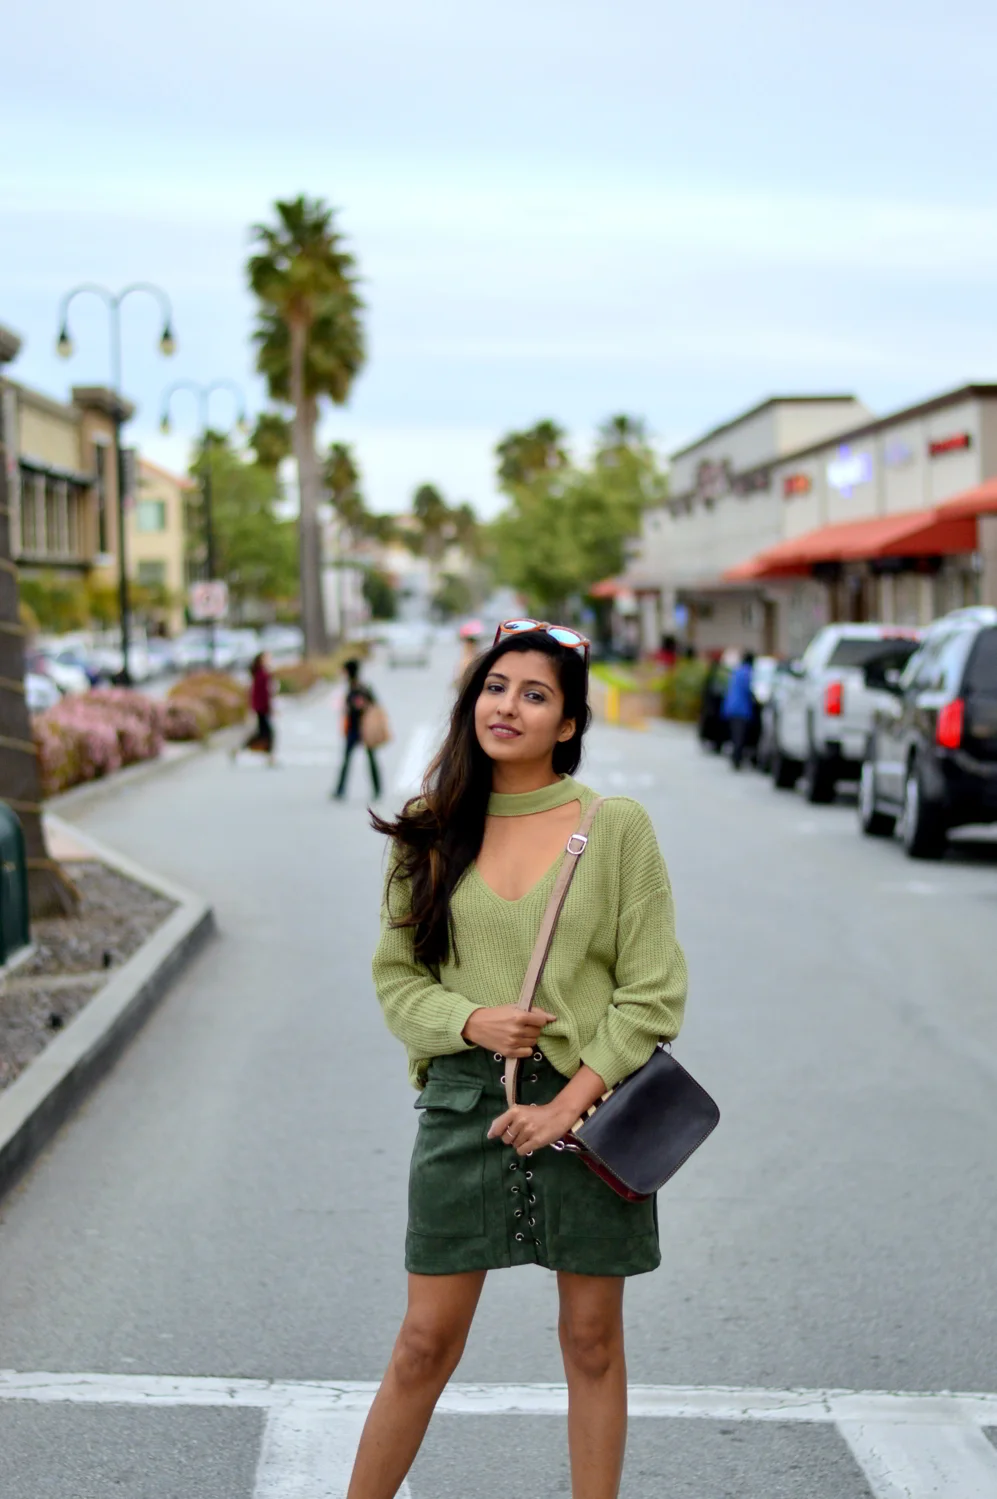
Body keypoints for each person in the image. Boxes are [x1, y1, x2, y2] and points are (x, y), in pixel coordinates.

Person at [350, 621, 688, 1499]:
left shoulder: (614, 829)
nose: (509, 706)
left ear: (568, 722)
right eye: (495, 687)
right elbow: (397, 983)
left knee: (591, 1341)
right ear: (473, 703)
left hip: (588, 1117)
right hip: (465, 1106)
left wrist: (565, 1103)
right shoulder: (428, 829)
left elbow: (650, 993)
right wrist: (472, 1022)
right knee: (424, 1342)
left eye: (535, 694)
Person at [333, 657, 382, 801]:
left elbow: (358, 707)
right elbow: (374, 703)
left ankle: (341, 790)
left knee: (348, 760)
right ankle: (377, 789)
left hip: (358, 729)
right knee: (368, 759)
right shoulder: (363, 687)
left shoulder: (356, 688)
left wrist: (352, 707)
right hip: (362, 729)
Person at [722, 649, 756, 770]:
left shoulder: (737, 671)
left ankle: (735, 759)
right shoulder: (748, 673)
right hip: (741, 710)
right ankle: (736, 760)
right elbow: (751, 690)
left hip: (731, 708)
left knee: (735, 735)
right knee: (739, 736)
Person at [241, 652, 275, 764]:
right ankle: (269, 757)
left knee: (263, 733)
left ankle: (268, 756)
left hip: (261, 707)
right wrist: (267, 707)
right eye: (267, 658)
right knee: (266, 733)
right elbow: (262, 693)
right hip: (262, 707)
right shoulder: (262, 675)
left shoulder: (260, 674)